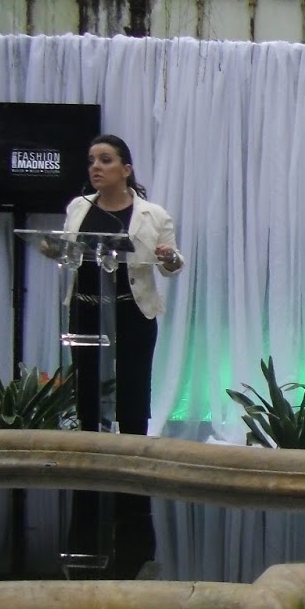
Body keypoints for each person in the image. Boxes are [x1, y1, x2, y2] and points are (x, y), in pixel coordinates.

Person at [62, 134, 184, 435]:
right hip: (86, 310)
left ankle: (132, 451)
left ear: (126, 169)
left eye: (105, 160)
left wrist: (169, 258)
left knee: (133, 387)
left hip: (132, 311)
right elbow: (69, 251)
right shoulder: (77, 207)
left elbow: (172, 266)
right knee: (88, 385)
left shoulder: (153, 215)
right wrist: (53, 249)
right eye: (91, 161)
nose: (96, 167)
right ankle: (91, 449)